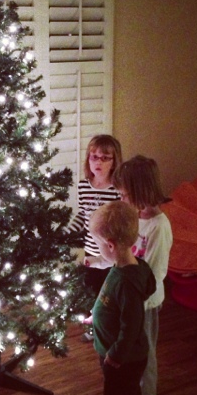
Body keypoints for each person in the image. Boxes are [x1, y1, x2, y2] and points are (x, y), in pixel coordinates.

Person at [110, 154, 173, 395]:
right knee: (131, 348)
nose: (121, 199)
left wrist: (134, 301)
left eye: (124, 195)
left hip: (145, 303)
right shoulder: (136, 217)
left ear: (140, 191)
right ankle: (133, 386)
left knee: (145, 350)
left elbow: (154, 274)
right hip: (131, 299)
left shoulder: (159, 227)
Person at [89, 201, 156, 395]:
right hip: (117, 354)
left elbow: (132, 325)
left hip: (122, 360)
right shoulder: (122, 267)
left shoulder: (128, 282)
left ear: (110, 245)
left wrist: (116, 355)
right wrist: (96, 314)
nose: (97, 247)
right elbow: (112, 301)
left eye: (97, 243)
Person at [66, 135, 122, 340]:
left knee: (107, 293)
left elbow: (120, 220)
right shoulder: (84, 186)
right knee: (90, 290)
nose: (98, 162)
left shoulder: (116, 190)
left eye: (105, 158)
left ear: (114, 162)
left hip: (109, 253)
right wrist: (69, 233)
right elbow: (82, 214)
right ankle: (93, 327)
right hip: (90, 249)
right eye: (94, 157)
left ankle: (108, 328)